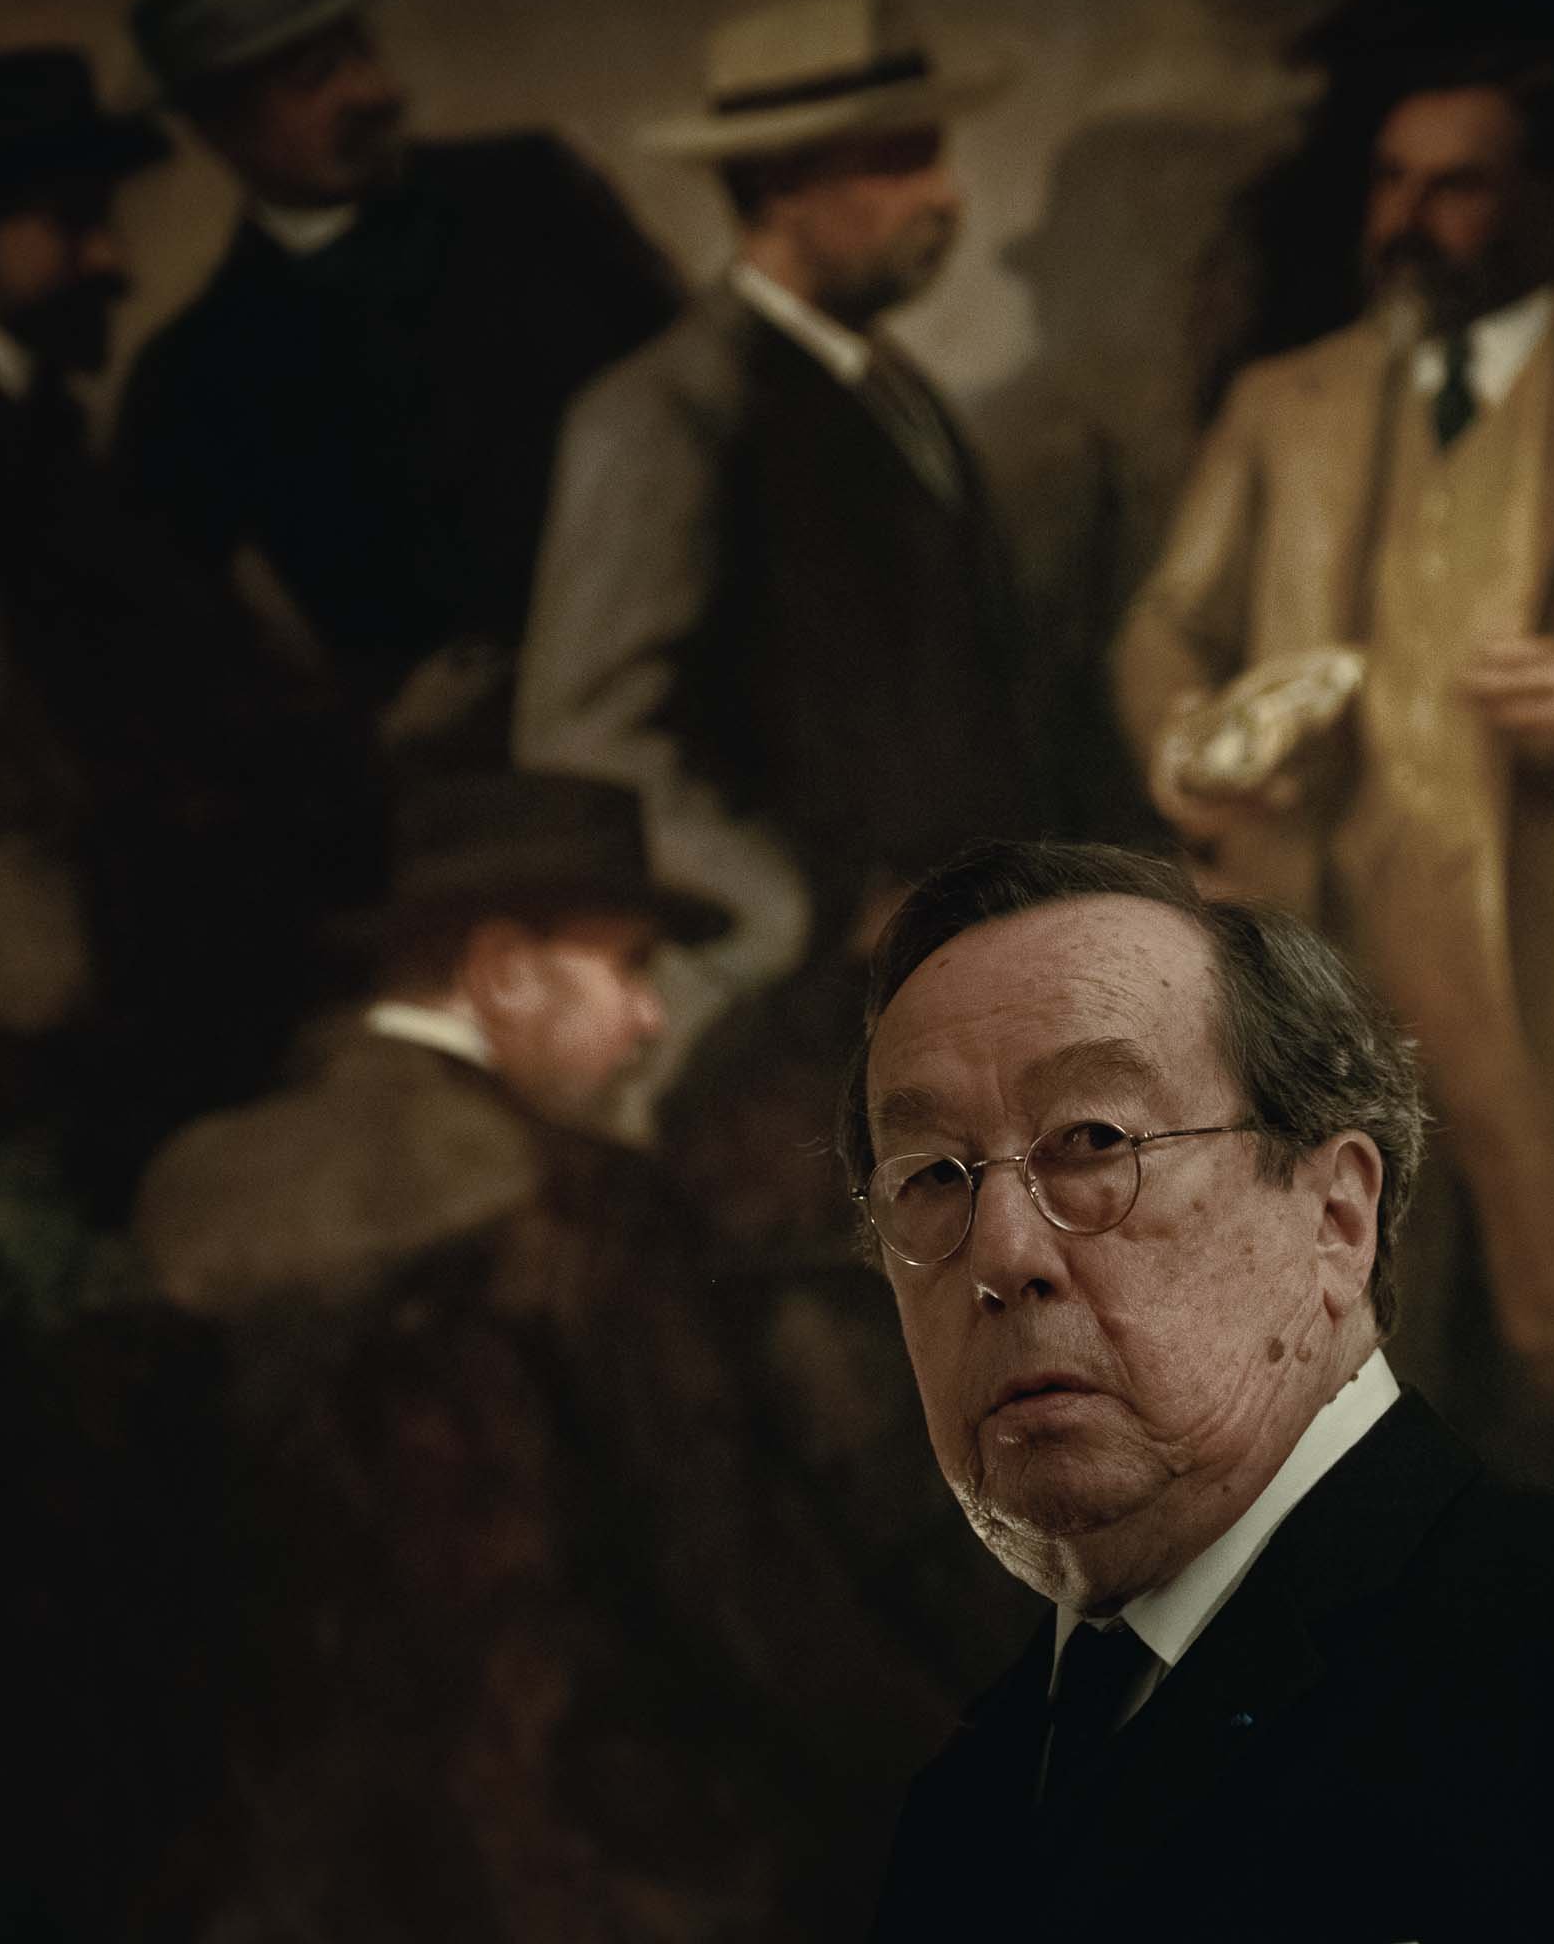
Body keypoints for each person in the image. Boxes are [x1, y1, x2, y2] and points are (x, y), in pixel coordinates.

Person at [850, 840, 1554, 1938]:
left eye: (1094, 1138)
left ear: (1336, 1217)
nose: (1001, 1252)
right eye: (931, 1175)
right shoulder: (965, 1811)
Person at [1114, 51, 1554, 1444]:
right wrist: (1195, 747)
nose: (1408, 219)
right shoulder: (1285, 403)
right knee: (1333, 1350)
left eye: (1458, 187)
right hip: (1319, 951)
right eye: (1392, 182)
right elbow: (1165, 628)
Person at [136, 771, 952, 1937]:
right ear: (506, 972)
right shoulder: (576, 1212)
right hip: (580, 1868)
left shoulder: (197, 1197)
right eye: (628, 966)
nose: (651, 1018)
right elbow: (729, 1569)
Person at [0, 44, 350, 1209]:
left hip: (103, 923)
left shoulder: (32, 434)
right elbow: (35, 722)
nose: (112, 261)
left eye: (104, 223)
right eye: (72, 225)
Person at [518, 0, 1036, 1198]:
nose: (948, 195)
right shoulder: (667, 414)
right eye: (900, 162)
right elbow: (588, 738)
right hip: (782, 1017)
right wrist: (810, 904)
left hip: (946, 980)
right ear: (782, 186)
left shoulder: (898, 394)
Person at [118, 0, 680, 765]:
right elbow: (173, 663)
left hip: (683, 694)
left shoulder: (534, 194)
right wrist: (368, 732)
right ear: (217, 123)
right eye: (314, 77)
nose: (374, 91)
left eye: (362, 51)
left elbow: (709, 400)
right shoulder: (194, 373)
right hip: (468, 783)